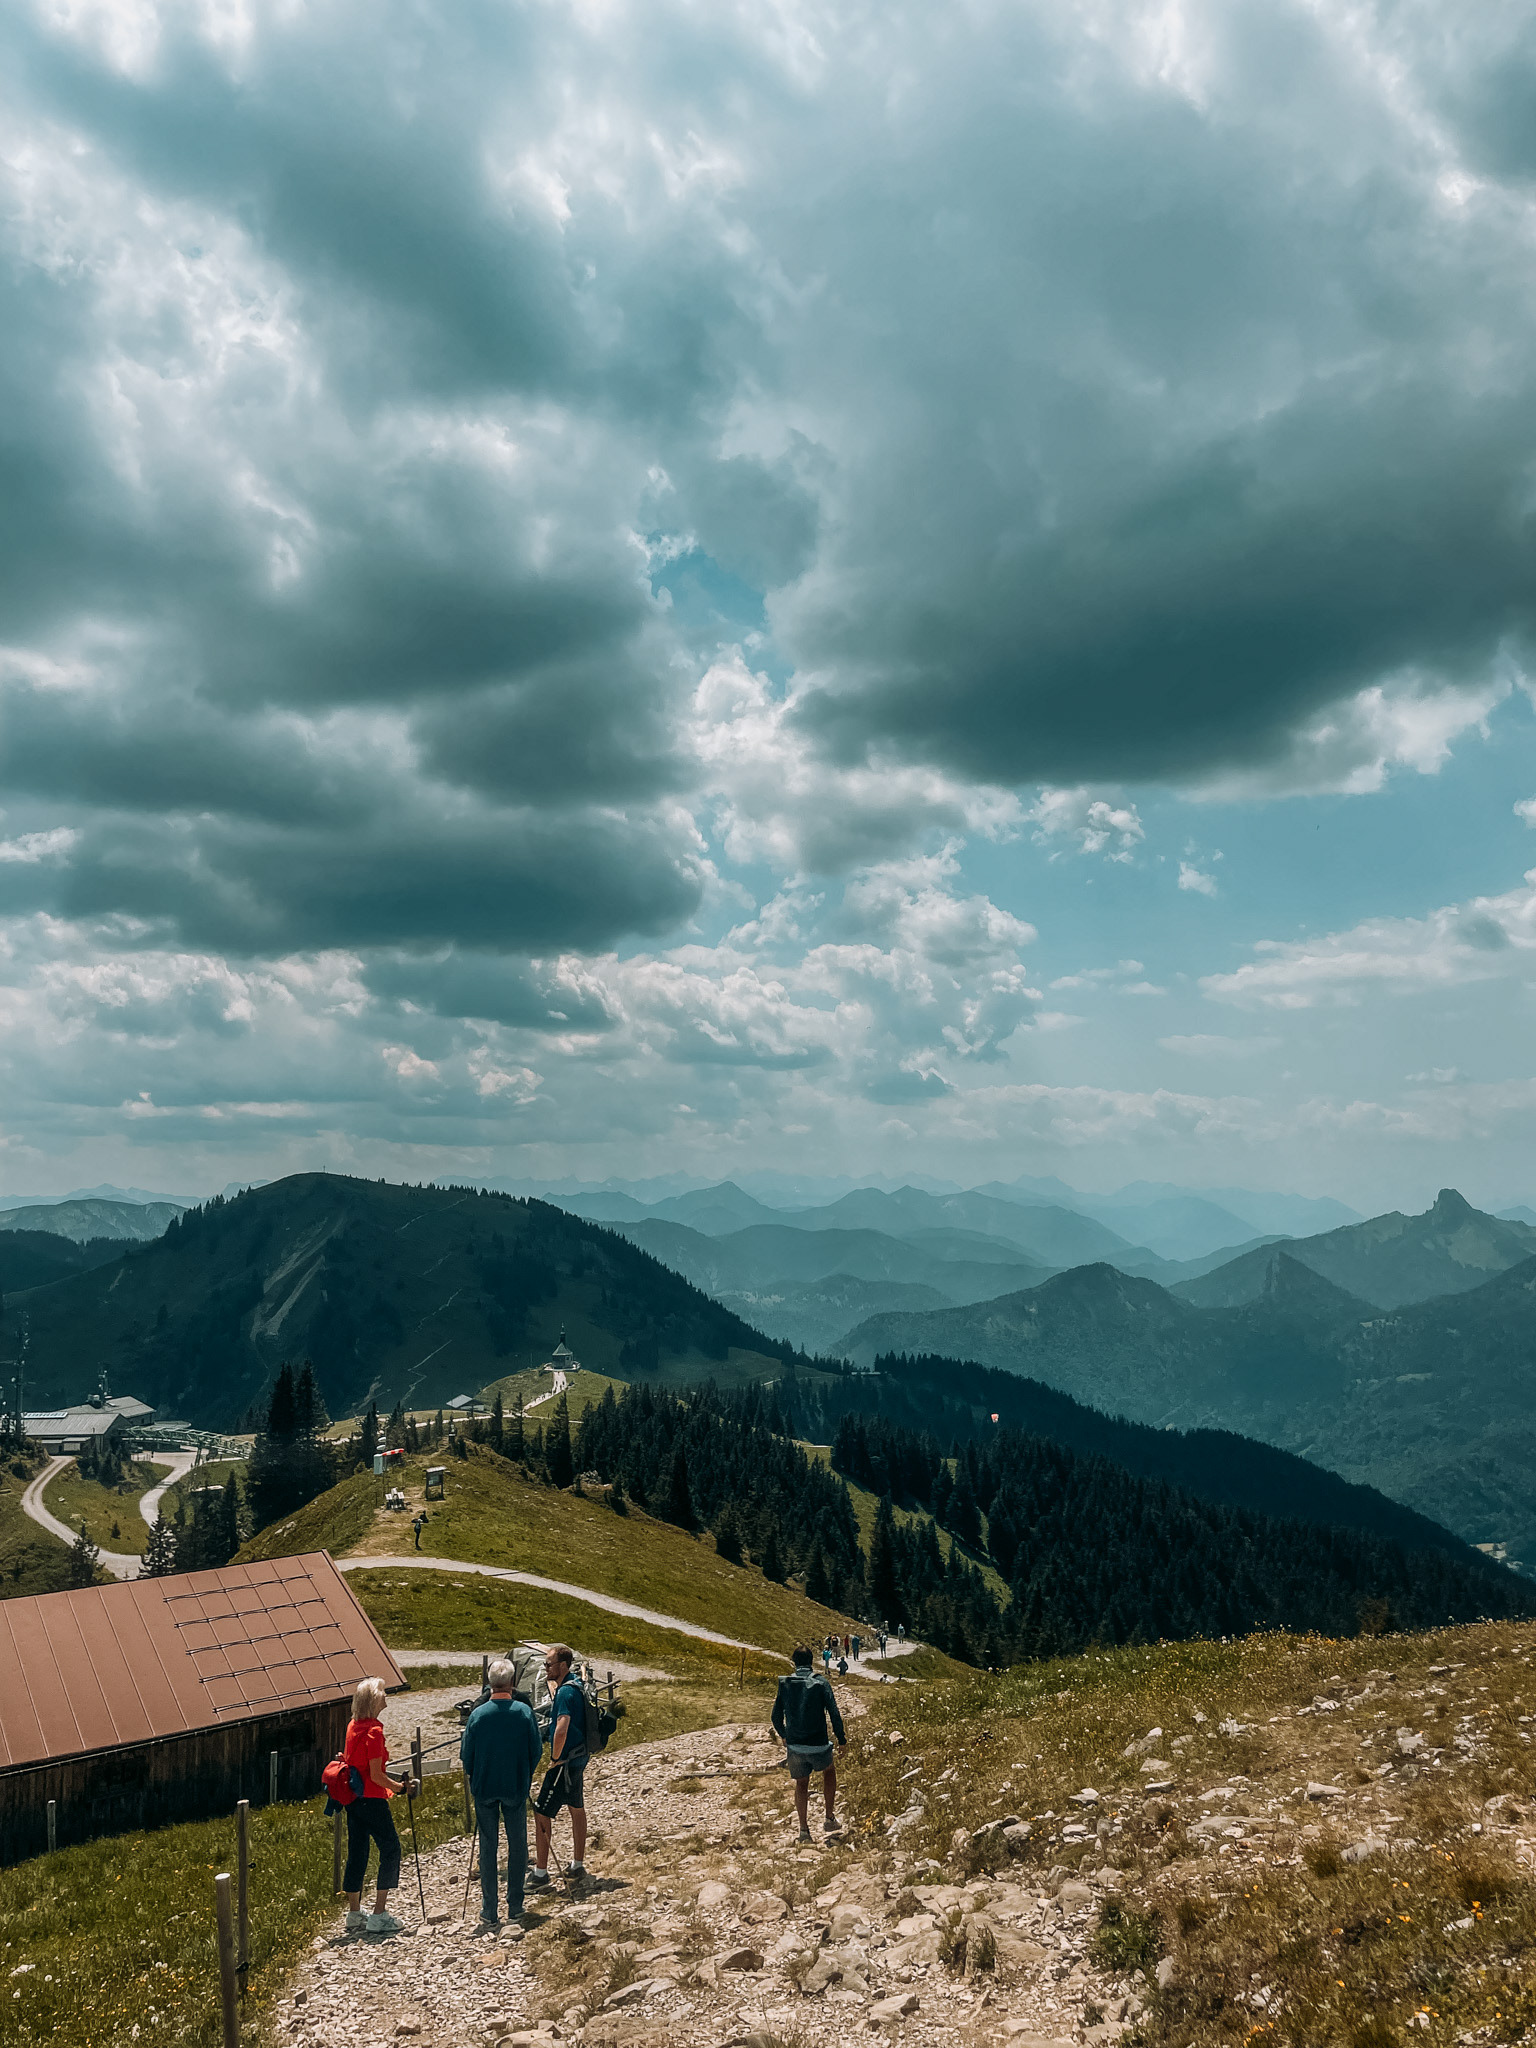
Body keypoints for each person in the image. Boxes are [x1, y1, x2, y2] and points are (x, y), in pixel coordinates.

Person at [461, 1656, 543, 1933]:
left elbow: (466, 1754)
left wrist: (475, 1775)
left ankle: (489, 1911)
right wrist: (525, 1773)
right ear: (512, 1682)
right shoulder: (523, 1712)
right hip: (515, 1785)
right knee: (517, 1844)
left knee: (488, 1846)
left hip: (484, 1786)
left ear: (490, 1683)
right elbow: (536, 1750)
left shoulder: (478, 1714)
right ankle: (515, 1907)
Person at [341, 1677, 418, 1936]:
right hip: (373, 1799)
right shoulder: (374, 1731)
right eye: (382, 1693)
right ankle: (379, 1913)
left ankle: (354, 1912)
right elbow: (376, 1775)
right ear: (374, 1700)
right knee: (391, 1849)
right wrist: (400, 1788)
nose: (386, 1696)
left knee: (357, 1851)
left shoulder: (353, 1726)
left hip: (353, 1798)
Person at [771, 1645, 847, 1842]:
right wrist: (841, 1739)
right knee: (829, 1770)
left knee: (801, 1782)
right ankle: (829, 1817)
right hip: (818, 1743)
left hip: (795, 1744)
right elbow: (834, 1713)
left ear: (794, 1662)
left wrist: (783, 1735)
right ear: (811, 1661)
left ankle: (804, 1831)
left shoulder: (785, 1683)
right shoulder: (821, 1683)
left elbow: (775, 1716)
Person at [531, 1645, 588, 1887]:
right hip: (579, 1757)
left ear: (562, 1665)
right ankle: (577, 1863)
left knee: (541, 1812)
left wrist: (554, 1760)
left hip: (564, 1762)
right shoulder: (578, 1685)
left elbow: (561, 1728)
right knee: (576, 1807)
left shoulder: (564, 1693)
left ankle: (540, 1873)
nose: (546, 1668)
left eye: (549, 1664)